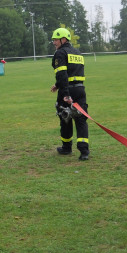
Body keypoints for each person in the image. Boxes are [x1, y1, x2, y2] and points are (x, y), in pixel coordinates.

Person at [50, 27, 89, 161]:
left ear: (63, 39)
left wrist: (65, 93)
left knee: (65, 118)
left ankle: (67, 148)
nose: (54, 42)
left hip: (68, 90)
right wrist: (57, 84)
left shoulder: (60, 53)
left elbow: (62, 74)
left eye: (55, 39)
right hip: (80, 89)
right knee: (81, 119)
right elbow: (74, 73)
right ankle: (84, 151)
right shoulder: (77, 53)